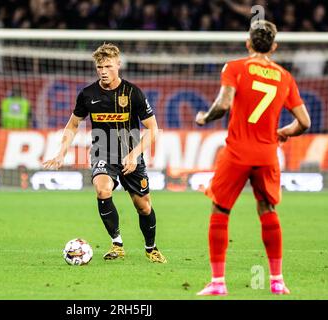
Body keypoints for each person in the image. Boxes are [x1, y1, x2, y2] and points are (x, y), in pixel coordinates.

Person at [195, 20, 311, 296]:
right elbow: (304, 122)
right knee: (268, 211)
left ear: (248, 44)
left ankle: (218, 283)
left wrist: (204, 117)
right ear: (274, 47)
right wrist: (284, 132)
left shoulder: (235, 67)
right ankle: (277, 281)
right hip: (267, 153)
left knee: (220, 210)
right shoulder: (284, 76)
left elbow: (223, 104)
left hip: (236, 152)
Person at [43, 43, 167, 263]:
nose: (103, 70)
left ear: (118, 65)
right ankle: (117, 243)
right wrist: (61, 152)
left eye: (108, 66)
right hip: (103, 151)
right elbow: (72, 125)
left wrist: (133, 154)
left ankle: (151, 248)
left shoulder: (133, 93)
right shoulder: (88, 94)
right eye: (99, 66)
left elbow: (153, 129)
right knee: (102, 190)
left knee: (143, 205)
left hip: (131, 154)